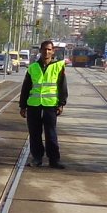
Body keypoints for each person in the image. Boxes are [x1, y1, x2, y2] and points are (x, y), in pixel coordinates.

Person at [18, 39, 68, 168]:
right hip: (33, 105)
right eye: (44, 49)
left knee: (51, 133)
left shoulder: (58, 66)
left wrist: (61, 104)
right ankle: (37, 158)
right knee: (34, 133)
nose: (46, 52)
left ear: (53, 51)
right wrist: (22, 106)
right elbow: (26, 87)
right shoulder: (33, 67)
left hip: (50, 105)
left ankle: (54, 160)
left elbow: (62, 87)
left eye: (49, 49)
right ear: (40, 51)